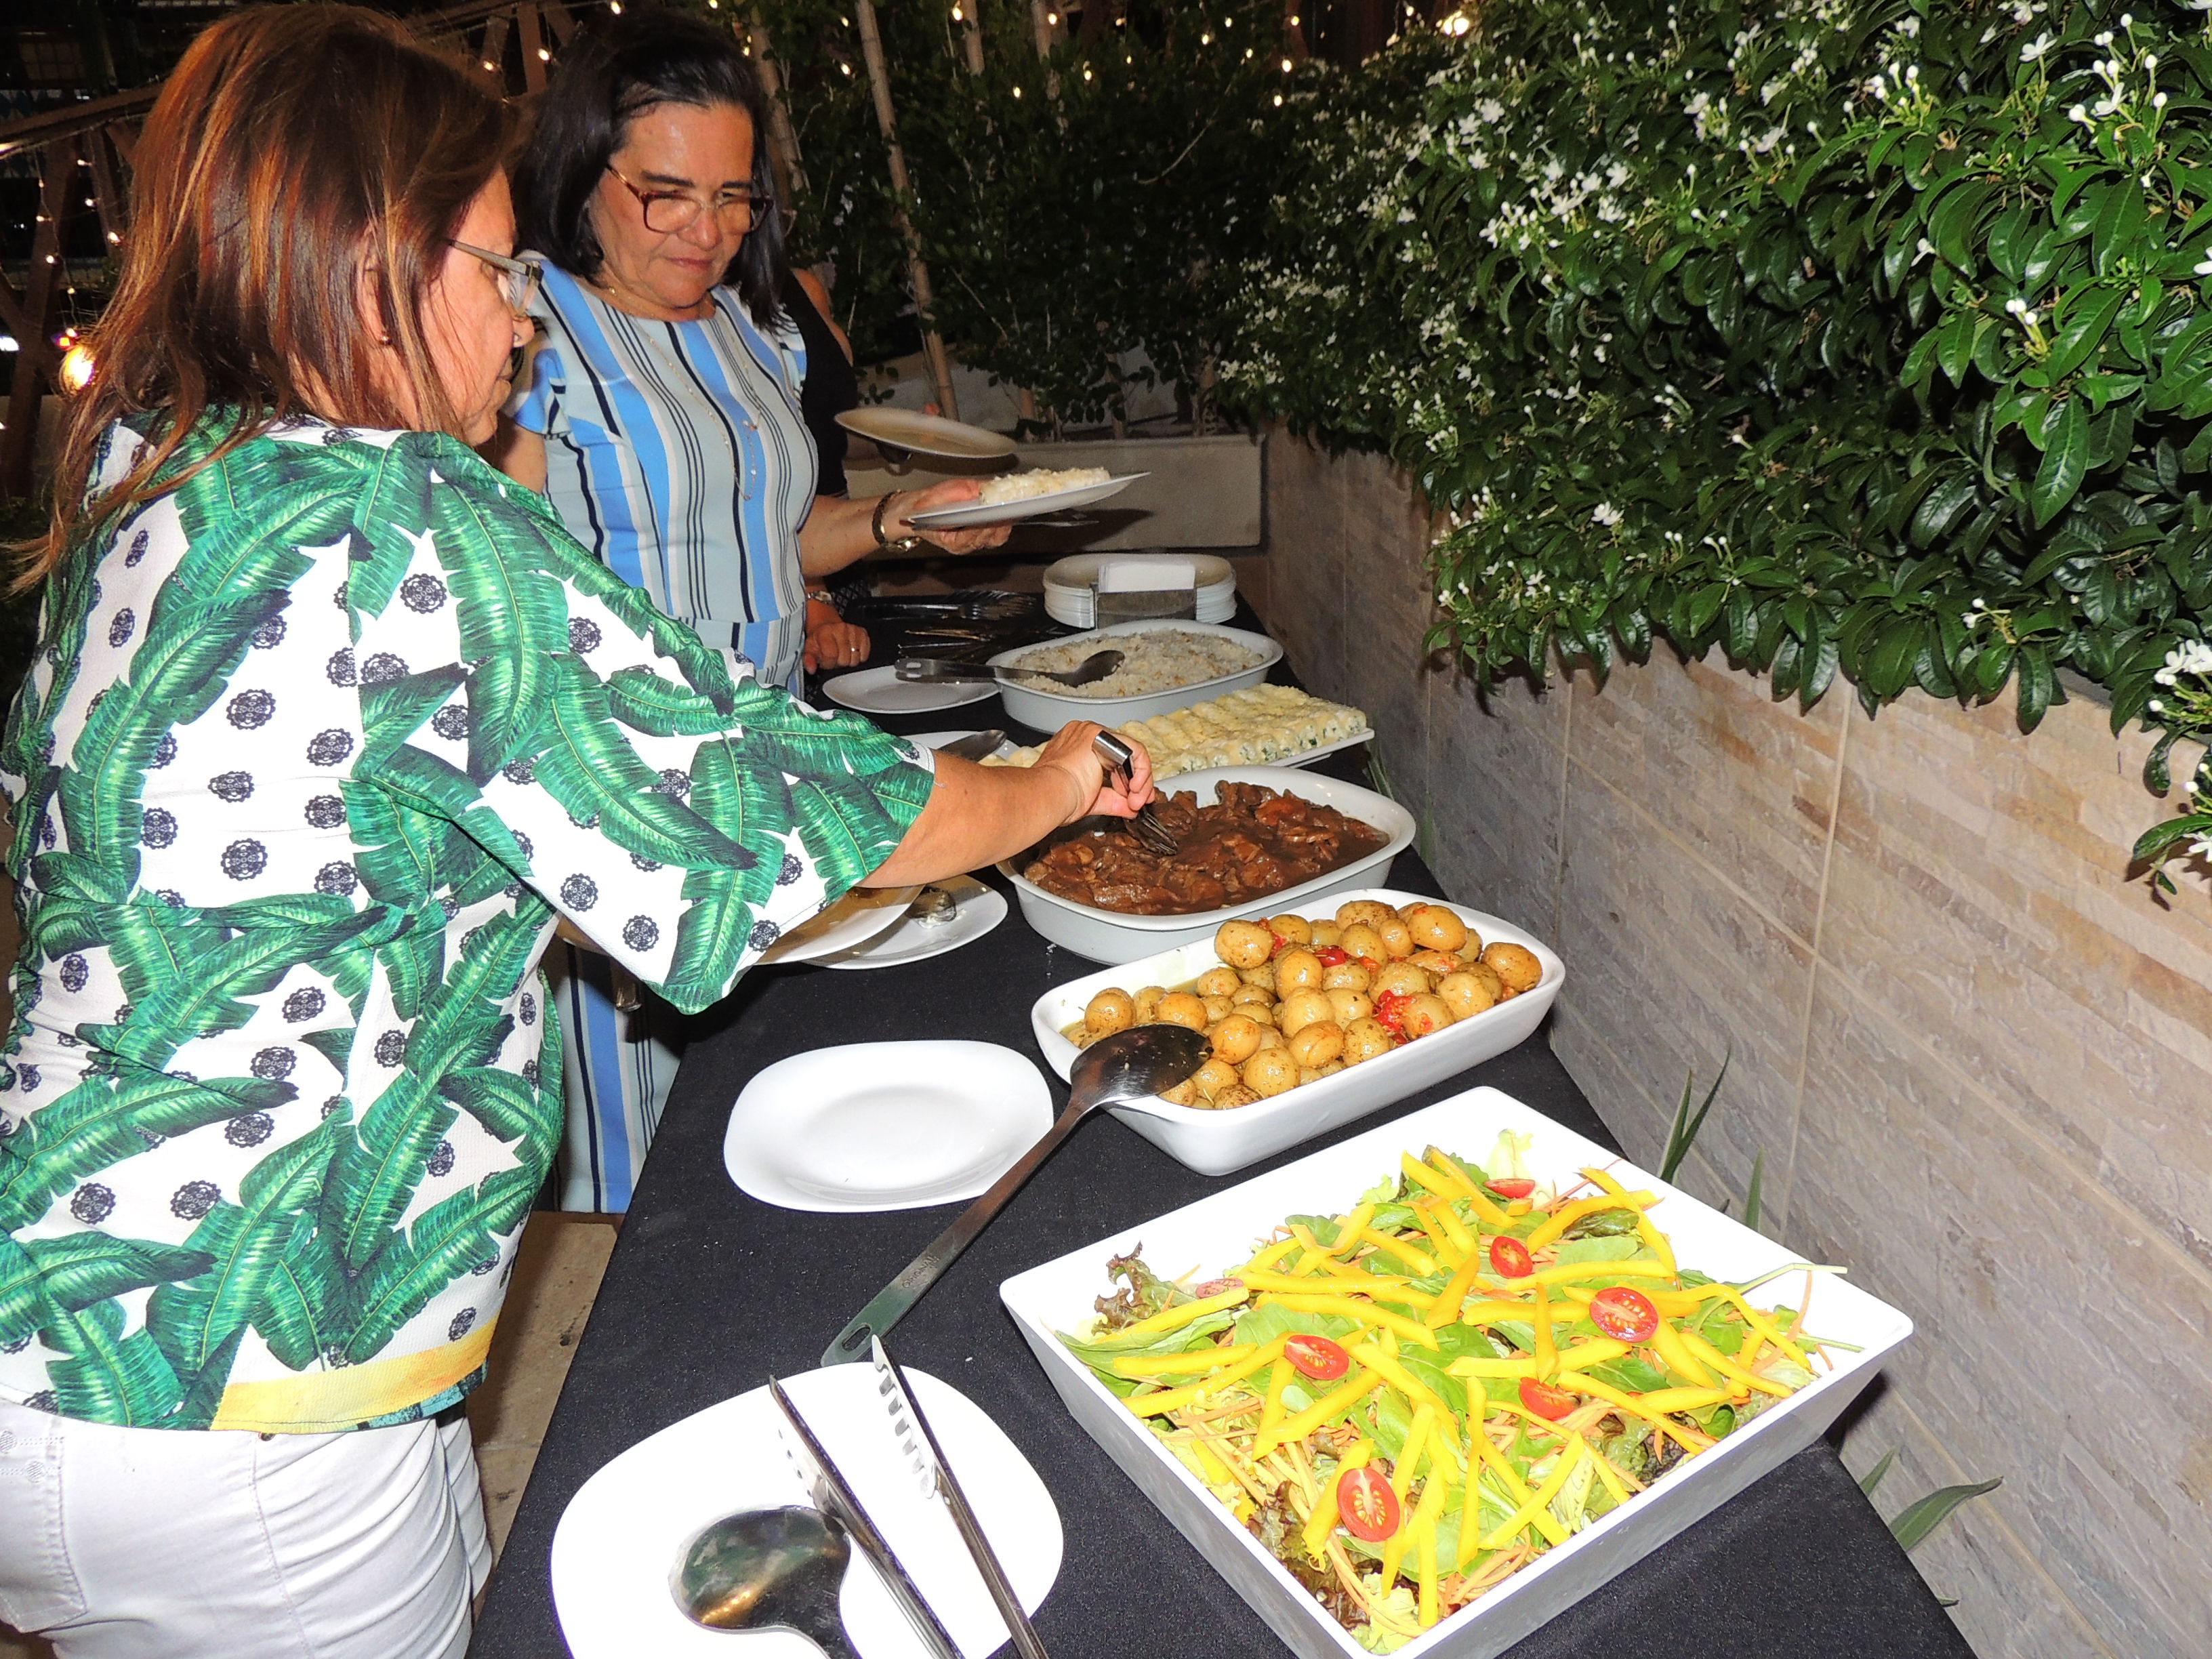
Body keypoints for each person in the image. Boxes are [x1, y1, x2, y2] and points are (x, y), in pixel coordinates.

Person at [0, 12, 1149, 1658]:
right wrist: (1047, 788)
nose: (524, 313)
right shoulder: (404, 516)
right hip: (250, 1378)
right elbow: (772, 805)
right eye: (493, 268)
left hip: (54, 1324)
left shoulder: (150, 474)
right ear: (369, 273)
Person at [491, 9, 1006, 1211]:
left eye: (734, 198)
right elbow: (498, 586)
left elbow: (768, 535)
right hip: (629, 790)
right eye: (665, 194)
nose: (707, 231)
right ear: (585, 171)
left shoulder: (746, 328)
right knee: (650, 1167)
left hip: (772, 765)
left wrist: (899, 520)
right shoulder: (528, 336)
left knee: (771, 1113)